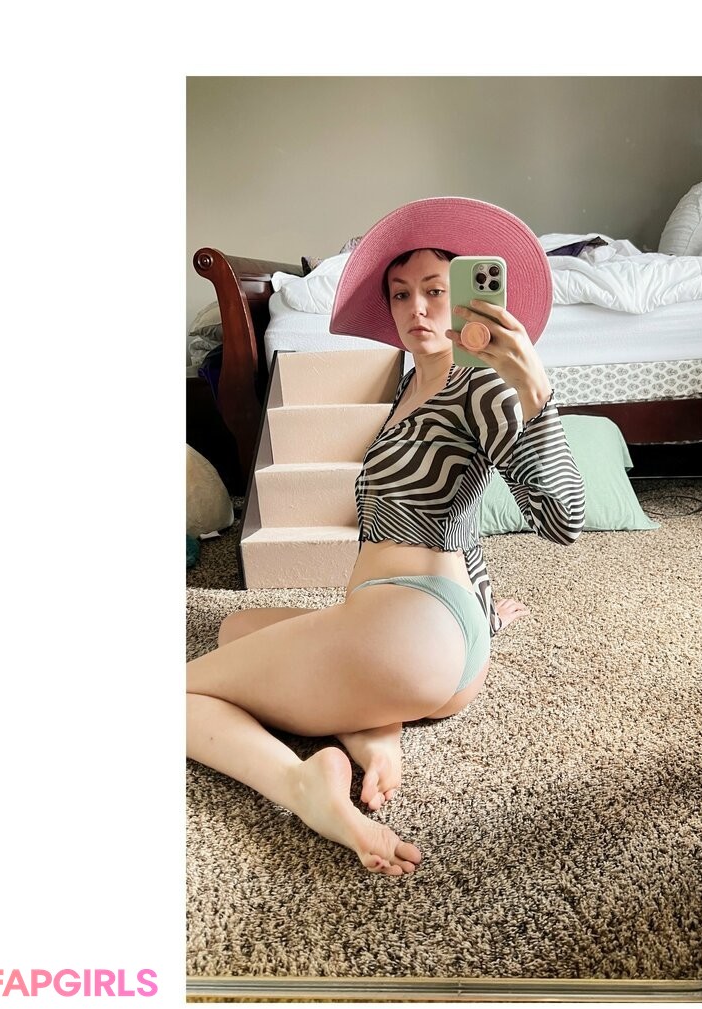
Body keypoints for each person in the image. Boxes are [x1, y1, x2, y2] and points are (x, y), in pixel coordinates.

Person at [186, 197, 585, 875]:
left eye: (435, 290)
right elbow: (459, 518)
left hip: (408, 630)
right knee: (235, 629)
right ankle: (375, 731)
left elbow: (562, 521)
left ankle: (302, 785)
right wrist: (485, 614)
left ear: (467, 298)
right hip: (420, 638)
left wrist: (536, 393)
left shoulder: (482, 389)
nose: (417, 309)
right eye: (401, 294)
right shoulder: (408, 385)